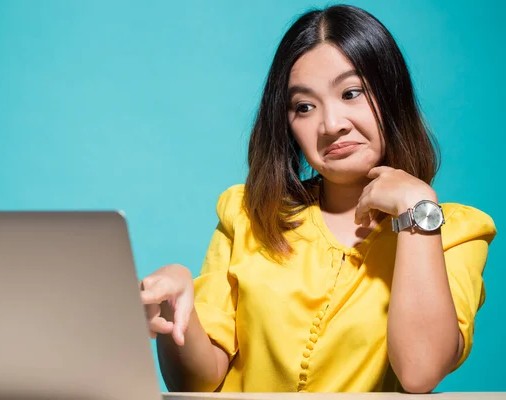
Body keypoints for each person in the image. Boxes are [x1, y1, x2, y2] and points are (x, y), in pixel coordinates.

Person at [139, 4, 497, 394]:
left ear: (392, 94)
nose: (331, 124)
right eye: (304, 107)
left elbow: (420, 372)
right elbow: (197, 381)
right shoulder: (247, 214)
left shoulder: (454, 231)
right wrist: (179, 313)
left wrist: (416, 207)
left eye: (351, 93)